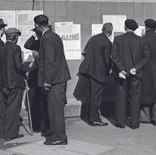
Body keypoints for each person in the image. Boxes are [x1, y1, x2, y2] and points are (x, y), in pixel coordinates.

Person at [34, 14, 71, 145]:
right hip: (59, 77)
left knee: (55, 109)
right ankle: (56, 133)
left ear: (37, 26)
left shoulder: (47, 38)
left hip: (55, 79)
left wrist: (47, 81)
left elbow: (50, 61)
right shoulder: (53, 36)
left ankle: (59, 136)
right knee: (54, 107)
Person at [111, 19, 149, 129]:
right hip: (135, 74)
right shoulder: (141, 40)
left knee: (120, 98)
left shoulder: (118, 39)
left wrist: (121, 69)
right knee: (135, 99)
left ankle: (120, 122)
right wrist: (135, 68)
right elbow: (146, 57)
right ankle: (134, 123)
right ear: (135, 28)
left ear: (125, 27)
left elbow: (114, 56)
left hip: (121, 74)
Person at [74, 23, 113, 126]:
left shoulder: (93, 38)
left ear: (102, 29)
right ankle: (95, 119)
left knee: (90, 94)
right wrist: (108, 70)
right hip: (98, 73)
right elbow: (107, 60)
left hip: (88, 71)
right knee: (96, 96)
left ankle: (88, 115)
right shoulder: (107, 42)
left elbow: (85, 53)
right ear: (110, 32)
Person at [0, 28, 27, 141]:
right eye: (17, 37)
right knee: (13, 110)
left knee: (4, 109)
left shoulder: (0, 50)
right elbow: (19, 66)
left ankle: (3, 133)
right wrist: (27, 67)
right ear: (15, 38)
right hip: (15, 84)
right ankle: (11, 133)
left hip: (2, 84)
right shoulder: (16, 48)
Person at [24, 27, 50, 135]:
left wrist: (34, 36)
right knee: (42, 103)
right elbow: (27, 45)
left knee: (37, 104)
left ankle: (37, 126)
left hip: (39, 76)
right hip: (41, 77)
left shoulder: (40, 42)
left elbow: (26, 44)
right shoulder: (43, 41)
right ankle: (43, 126)